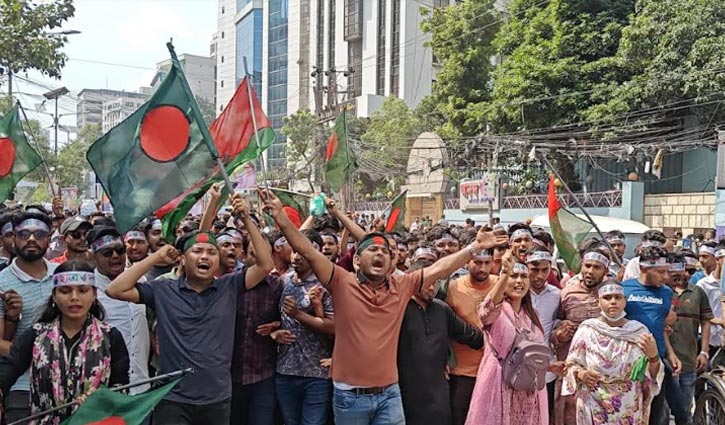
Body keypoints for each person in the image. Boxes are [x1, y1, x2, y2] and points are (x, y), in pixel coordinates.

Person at [261, 188, 508, 425]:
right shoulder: (341, 281)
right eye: (373, 250)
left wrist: (474, 247)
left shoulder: (403, 286)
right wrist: (280, 216)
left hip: (389, 395)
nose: (379, 253)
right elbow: (306, 250)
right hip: (350, 396)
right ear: (357, 261)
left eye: (384, 251)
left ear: (391, 262)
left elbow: (439, 269)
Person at [105, 194, 273, 425]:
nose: (205, 256)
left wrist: (246, 218)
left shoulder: (230, 286)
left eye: (211, 252)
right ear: (182, 259)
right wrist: (156, 257)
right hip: (172, 398)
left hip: (216, 399)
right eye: (197, 251)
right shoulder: (162, 289)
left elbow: (266, 265)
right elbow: (115, 289)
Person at [0, 260, 130, 424]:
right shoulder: (36, 335)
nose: (74, 298)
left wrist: (101, 398)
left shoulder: (110, 336)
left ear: (94, 294)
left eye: (82, 290)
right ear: (54, 295)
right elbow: (8, 369)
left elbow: (121, 387)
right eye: (65, 291)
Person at [562, 281, 663, 424]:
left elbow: (652, 375)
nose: (613, 302)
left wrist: (654, 356)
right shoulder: (587, 330)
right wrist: (582, 374)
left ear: (625, 301)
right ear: (598, 302)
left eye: (618, 297)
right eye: (607, 297)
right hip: (593, 403)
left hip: (628, 406)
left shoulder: (639, 332)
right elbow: (570, 365)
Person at [465, 256, 547, 425]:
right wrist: (505, 273)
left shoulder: (533, 316)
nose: (519, 281)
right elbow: (486, 310)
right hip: (499, 383)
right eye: (513, 276)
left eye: (523, 276)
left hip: (528, 389)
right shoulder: (497, 312)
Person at [397, 271, 483, 425]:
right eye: (427, 283)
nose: (432, 288)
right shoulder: (399, 309)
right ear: (414, 282)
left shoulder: (441, 309)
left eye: (435, 283)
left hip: (438, 396)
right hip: (406, 395)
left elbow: (471, 336)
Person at [271, 229, 334, 425]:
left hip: (316, 374)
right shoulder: (283, 281)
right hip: (285, 372)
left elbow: (334, 327)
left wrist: (299, 314)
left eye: (303, 252)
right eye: (294, 251)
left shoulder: (325, 285)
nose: (297, 256)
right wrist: (275, 332)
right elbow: (275, 319)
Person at [621, 246, 689, 425]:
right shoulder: (623, 289)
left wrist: (671, 354)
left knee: (659, 415)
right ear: (644, 269)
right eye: (660, 272)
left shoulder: (666, 293)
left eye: (666, 271)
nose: (665, 277)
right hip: (629, 362)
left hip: (656, 361)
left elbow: (661, 326)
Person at [0, 210, 56, 423]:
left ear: (48, 239)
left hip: (65, 382)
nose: (32, 239)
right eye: (24, 234)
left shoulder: (62, 276)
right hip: (22, 385)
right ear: (14, 238)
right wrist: (41, 355)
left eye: (39, 234)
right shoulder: (2, 282)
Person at [89, 226, 150, 394]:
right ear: (94, 257)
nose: (115, 256)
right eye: (107, 253)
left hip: (142, 384)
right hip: (104, 390)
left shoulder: (141, 282)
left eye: (120, 250)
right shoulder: (87, 290)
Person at [552, 246, 610, 425]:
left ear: (606, 270)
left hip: (601, 371)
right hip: (571, 368)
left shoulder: (612, 294)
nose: (590, 271)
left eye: (596, 267)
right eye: (587, 266)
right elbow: (554, 325)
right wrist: (559, 335)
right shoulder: (567, 292)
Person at [230, 233, 283, 425]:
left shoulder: (277, 286)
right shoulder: (228, 284)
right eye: (255, 254)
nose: (261, 260)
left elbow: (285, 320)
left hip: (264, 374)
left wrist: (276, 326)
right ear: (244, 255)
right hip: (230, 375)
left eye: (265, 255)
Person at [445, 249, 498, 425]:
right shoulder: (453, 288)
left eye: (487, 263)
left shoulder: (500, 284)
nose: (482, 268)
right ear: (467, 261)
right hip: (462, 373)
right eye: (477, 262)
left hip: (494, 371)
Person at [667, 252, 711, 411]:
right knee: (662, 413)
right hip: (664, 361)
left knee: (685, 410)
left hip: (688, 360)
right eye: (683, 269)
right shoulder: (662, 292)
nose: (685, 274)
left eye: (691, 271)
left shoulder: (698, 293)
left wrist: (704, 352)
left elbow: (706, 322)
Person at [525, 247, 562, 418]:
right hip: (518, 369)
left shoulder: (557, 295)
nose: (539, 275)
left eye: (544, 270)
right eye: (534, 269)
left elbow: (558, 323)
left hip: (547, 371)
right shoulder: (517, 293)